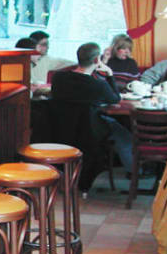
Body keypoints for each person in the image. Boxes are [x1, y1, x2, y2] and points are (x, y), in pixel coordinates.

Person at [51, 42, 133, 191]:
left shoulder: (58, 78)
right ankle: (134, 171)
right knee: (124, 134)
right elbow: (115, 99)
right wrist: (110, 75)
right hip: (90, 130)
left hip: (61, 128)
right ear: (96, 60)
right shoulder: (98, 85)